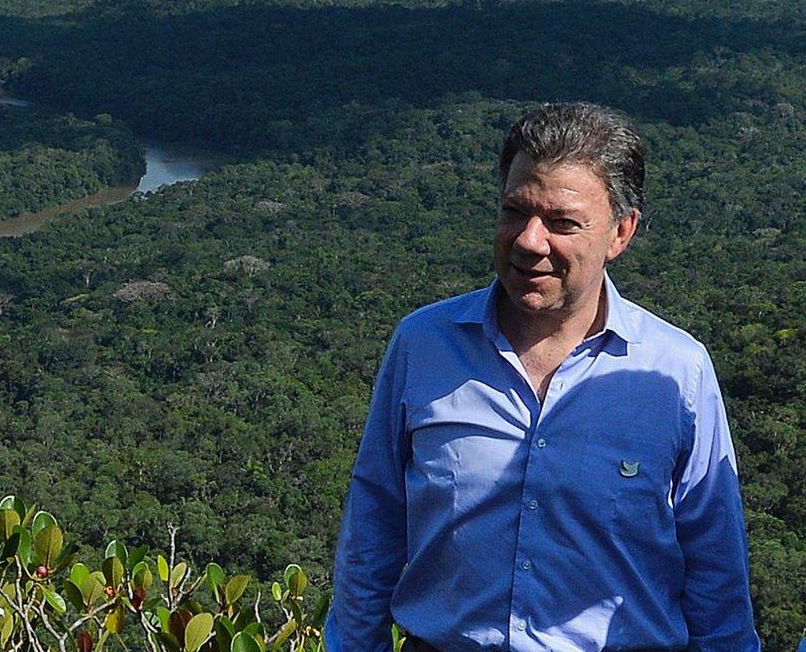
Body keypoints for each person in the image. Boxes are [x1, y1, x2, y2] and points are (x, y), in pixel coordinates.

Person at [325, 102, 758, 652]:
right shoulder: (423, 346)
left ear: (621, 232)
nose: (530, 240)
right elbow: (373, 531)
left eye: (562, 222)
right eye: (515, 211)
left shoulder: (677, 372)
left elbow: (716, 577)